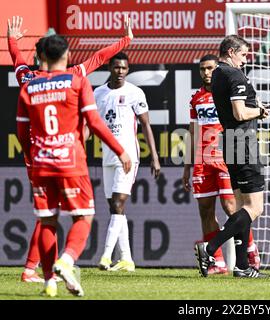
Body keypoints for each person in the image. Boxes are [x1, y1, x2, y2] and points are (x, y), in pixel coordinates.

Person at [7, 15, 134, 283]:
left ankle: (36, 272)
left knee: (46, 218)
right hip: (69, 159)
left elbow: (18, 62)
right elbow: (98, 59)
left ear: (39, 54)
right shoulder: (74, 77)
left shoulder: (27, 81)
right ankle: (53, 265)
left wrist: (12, 41)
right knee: (81, 216)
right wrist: (125, 40)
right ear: (66, 53)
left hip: (38, 159)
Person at [194, 35, 269, 278]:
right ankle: (210, 247)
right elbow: (239, 112)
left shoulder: (216, 75)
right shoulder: (233, 75)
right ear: (231, 52)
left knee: (239, 207)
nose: (245, 60)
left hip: (229, 142)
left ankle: (242, 266)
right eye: (244, 54)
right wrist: (259, 111)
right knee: (255, 208)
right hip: (242, 142)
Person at [96, 52, 161, 272]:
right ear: (109, 68)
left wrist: (154, 157)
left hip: (128, 157)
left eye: (124, 68)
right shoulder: (99, 93)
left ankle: (105, 256)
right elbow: (91, 124)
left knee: (117, 204)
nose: (121, 72)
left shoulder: (135, 92)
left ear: (128, 69)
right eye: (116, 68)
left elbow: (146, 125)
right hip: (107, 156)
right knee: (114, 208)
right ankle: (126, 259)